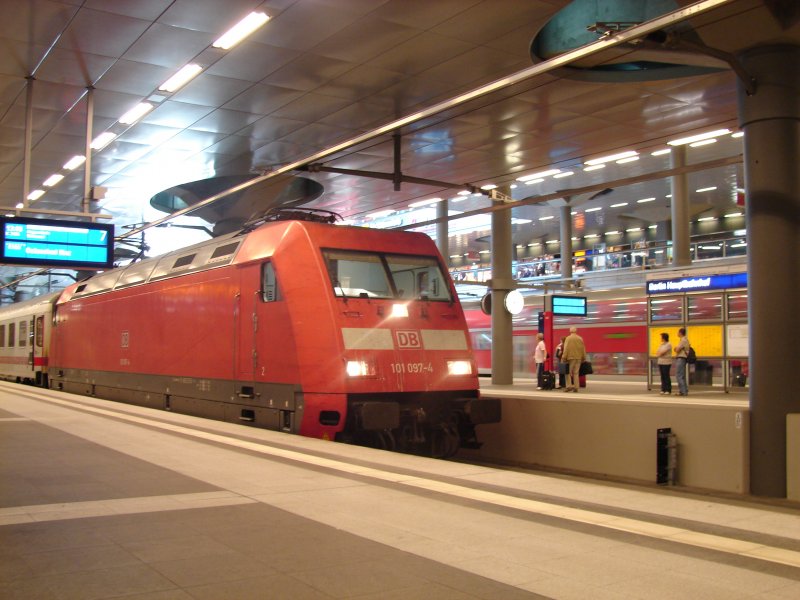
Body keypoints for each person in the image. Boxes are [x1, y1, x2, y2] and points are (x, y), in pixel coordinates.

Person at [561, 327, 586, 393]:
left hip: (570, 357)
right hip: (578, 358)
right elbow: (583, 348)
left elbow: (566, 348)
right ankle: (576, 387)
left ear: (570, 331)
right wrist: (584, 357)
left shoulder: (568, 338)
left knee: (568, 372)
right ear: (576, 331)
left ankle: (569, 386)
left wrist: (563, 357)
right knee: (576, 373)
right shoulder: (580, 338)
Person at [674, 327, 690, 396]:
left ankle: (683, 391)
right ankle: (684, 390)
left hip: (681, 358)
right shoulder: (685, 340)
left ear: (680, 333)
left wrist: (676, 348)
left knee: (679, 375)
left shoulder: (683, 340)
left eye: (678, 332)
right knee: (682, 375)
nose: (677, 333)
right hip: (683, 358)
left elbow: (677, 350)